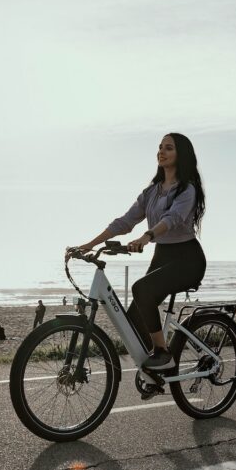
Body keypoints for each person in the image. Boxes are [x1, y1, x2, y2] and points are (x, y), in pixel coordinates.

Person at [72, 132, 207, 370]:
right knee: (135, 320)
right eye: (160, 147)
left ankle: (162, 351)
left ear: (181, 155)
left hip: (187, 259)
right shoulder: (152, 192)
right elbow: (125, 222)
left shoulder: (187, 190)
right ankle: (154, 374)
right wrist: (90, 244)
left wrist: (147, 236)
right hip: (162, 256)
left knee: (140, 289)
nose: (161, 152)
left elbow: (172, 219)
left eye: (169, 148)